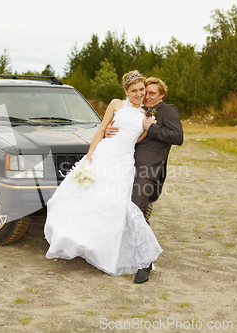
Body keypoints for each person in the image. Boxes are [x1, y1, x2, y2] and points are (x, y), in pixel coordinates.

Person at [44, 70, 162, 282]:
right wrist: (90, 156)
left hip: (124, 161)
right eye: (134, 90)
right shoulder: (116, 104)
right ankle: (79, 240)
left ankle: (106, 250)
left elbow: (135, 141)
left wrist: (148, 128)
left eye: (141, 90)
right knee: (88, 198)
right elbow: (100, 130)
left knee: (115, 205)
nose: (138, 94)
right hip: (104, 155)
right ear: (126, 91)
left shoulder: (145, 116)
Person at [105, 77, 184, 283]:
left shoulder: (168, 110)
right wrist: (108, 130)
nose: (147, 96)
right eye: (145, 92)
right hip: (126, 165)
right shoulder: (138, 110)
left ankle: (145, 263)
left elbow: (178, 137)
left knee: (137, 211)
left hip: (148, 169)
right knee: (122, 208)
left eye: (152, 93)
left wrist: (152, 128)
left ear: (162, 95)